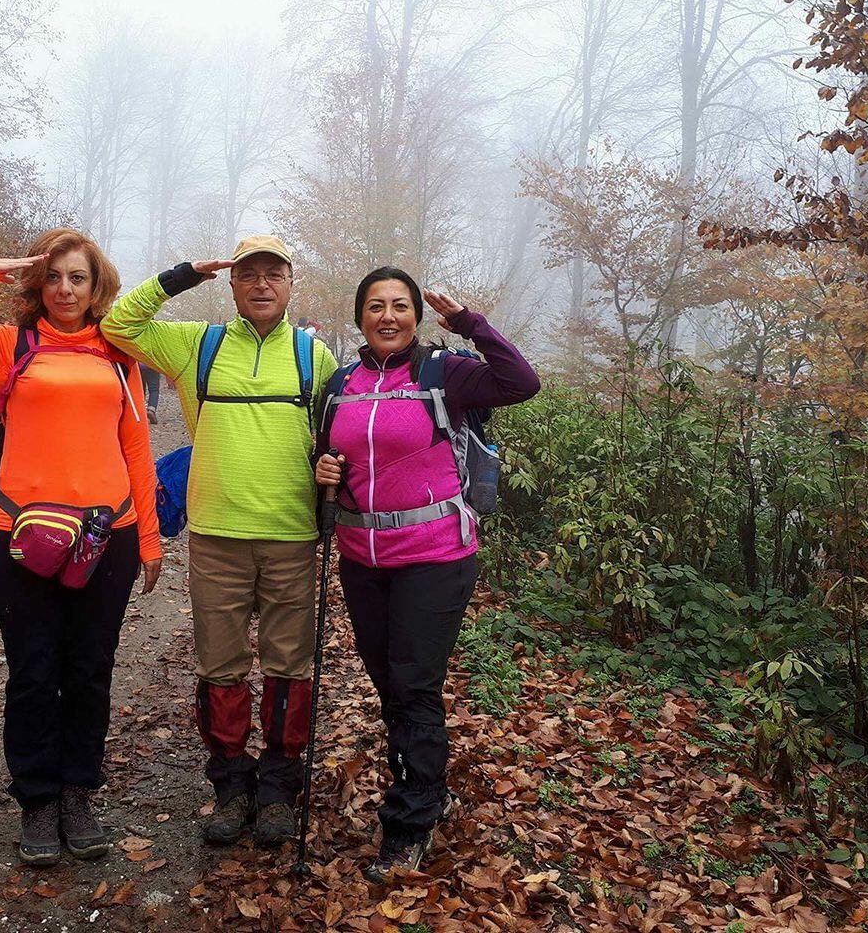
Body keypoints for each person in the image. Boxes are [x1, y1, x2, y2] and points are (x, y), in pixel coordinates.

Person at [0, 230, 162, 867]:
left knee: (89, 669)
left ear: (96, 286)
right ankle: (38, 800)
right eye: (53, 278)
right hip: (20, 535)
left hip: (110, 537)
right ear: (37, 285)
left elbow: (135, 447)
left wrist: (151, 537)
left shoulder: (119, 354)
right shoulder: (7, 347)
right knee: (33, 670)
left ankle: (79, 792)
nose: (66, 290)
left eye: (77, 278)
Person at [101, 235, 338, 847]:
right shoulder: (196, 345)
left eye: (273, 273)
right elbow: (119, 323)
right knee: (221, 669)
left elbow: (338, 445)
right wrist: (182, 275)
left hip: (292, 538)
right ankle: (231, 787)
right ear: (232, 285)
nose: (261, 284)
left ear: (291, 282)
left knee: (290, 668)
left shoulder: (317, 359)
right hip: (215, 539)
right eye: (249, 274)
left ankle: (280, 787)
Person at [314, 266, 539, 883]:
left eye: (400, 306)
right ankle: (423, 784)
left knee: (413, 686)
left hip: (435, 556)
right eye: (375, 307)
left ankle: (410, 821)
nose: (388, 317)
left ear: (416, 314)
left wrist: (468, 322)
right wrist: (323, 473)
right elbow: (331, 457)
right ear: (359, 316)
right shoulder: (340, 384)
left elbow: (521, 382)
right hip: (362, 559)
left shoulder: (446, 373)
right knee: (390, 684)